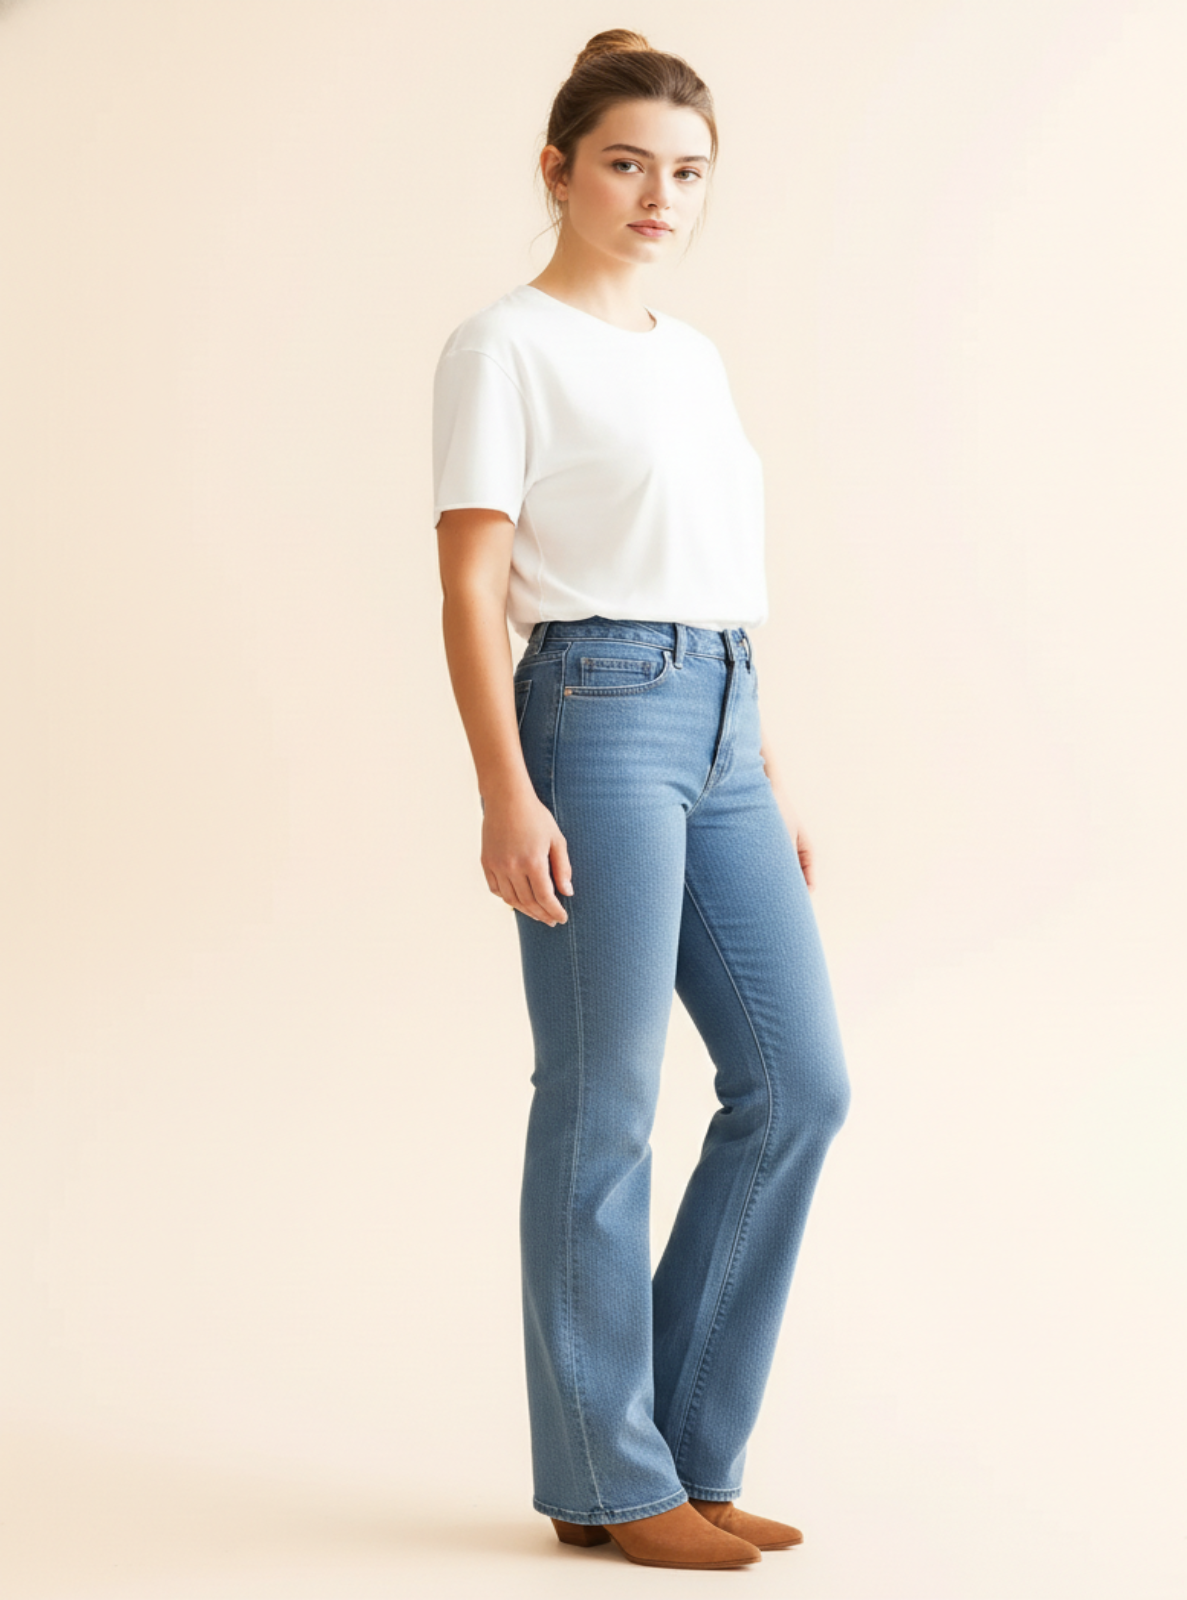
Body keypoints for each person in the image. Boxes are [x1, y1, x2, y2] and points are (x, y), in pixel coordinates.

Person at [431, 28, 851, 1573]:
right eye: (625, 162)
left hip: (724, 718)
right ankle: (606, 1476)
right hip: (592, 715)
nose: (657, 193)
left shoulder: (691, 354)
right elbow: (472, 590)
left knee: (797, 1088)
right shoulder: (503, 346)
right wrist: (503, 789)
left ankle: (674, 1454)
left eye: (685, 171)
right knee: (602, 1107)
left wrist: (763, 767)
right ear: (557, 169)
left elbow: (712, 577)